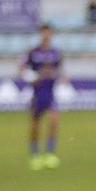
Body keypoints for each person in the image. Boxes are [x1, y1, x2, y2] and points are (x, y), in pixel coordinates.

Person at [19, 23, 62, 170]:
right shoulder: (32, 52)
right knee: (35, 124)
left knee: (54, 121)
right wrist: (33, 77)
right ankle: (35, 154)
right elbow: (21, 69)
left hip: (50, 92)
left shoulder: (56, 53)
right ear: (40, 34)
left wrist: (61, 77)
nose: (46, 35)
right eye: (44, 32)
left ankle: (50, 153)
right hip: (37, 92)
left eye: (48, 33)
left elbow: (58, 70)